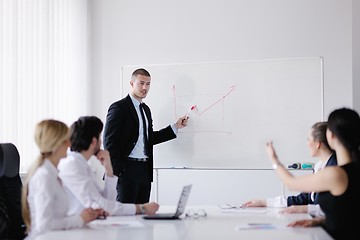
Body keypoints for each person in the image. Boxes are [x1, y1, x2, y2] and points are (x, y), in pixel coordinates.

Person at [266, 108, 360, 240]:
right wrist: (320, 221)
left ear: (331, 135)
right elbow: (348, 213)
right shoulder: (352, 169)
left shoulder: (336, 174)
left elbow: (291, 183)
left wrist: (274, 160)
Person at [103, 68, 188, 204]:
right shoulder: (119, 107)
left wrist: (175, 127)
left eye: (148, 84)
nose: (145, 87)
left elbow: (149, 138)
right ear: (132, 83)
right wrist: (120, 169)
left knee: (142, 215)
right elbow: (108, 141)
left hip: (144, 170)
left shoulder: (146, 110)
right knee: (126, 216)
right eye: (141, 83)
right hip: (126, 170)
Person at [58, 116, 159, 217]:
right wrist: (141, 208)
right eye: (100, 137)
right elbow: (101, 206)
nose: (101, 142)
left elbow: (107, 201)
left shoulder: (81, 164)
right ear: (94, 141)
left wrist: (109, 170)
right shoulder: (72, 166)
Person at [21, 119, 102, 240]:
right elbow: (44, 225)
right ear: (55, 144)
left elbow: (57, 216)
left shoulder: (53, 173)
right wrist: (80, 219)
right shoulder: (44, 177)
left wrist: (83, 215)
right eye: (66, 141)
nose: (70, 145)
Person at [242, 122, 337, 216]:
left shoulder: (334, 167)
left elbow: (336, 207)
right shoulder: (319, 167)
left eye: (309, 139)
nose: (307, 143)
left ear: (317, 144)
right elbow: (302, 199)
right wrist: (264, 202)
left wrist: (274, 159)